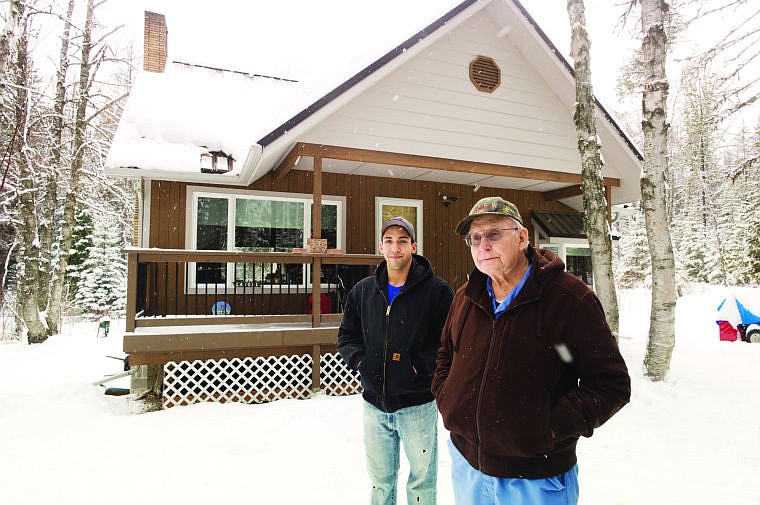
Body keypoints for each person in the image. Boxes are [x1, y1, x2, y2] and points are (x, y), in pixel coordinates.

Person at [432, 197, 631, 505]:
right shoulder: (466, 297)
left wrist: (548, 428)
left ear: (522, 237)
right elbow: (446, 354)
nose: (483, 245)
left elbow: (611, 385)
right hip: (468, 467)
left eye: (494, 234)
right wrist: (448, 398)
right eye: (475, 237)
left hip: (536, 478)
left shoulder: (569, 299)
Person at [338, 216, 454, 505]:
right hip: (374, 406)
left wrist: (418, 366)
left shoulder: (437, 292)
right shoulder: (364, 291)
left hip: (418, 406)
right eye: (389, 241)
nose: (395, 247)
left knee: (421, 482)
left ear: (413, 246)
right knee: (380, 483)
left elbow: (449, 343)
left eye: (402, 241)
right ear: (381, 246)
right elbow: (347, 336)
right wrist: (362, 363)